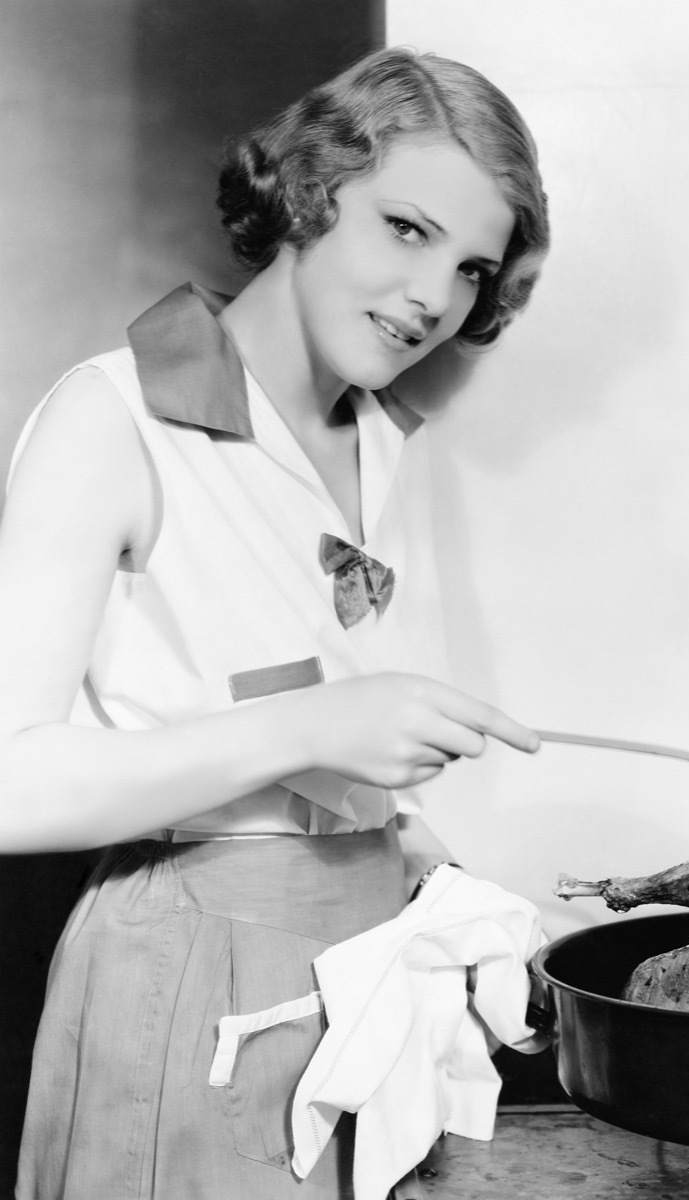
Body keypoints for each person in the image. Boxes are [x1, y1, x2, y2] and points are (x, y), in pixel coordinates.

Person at [2, 45, 549, 1200]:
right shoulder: (112, 416)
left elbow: (325, 754)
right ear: (308, 192)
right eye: (404, 229)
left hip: (363, 979)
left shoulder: (392, 445)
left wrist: (428, 865)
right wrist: (313, 726)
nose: (432, 297)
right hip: (184, 975)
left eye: (469, 268)